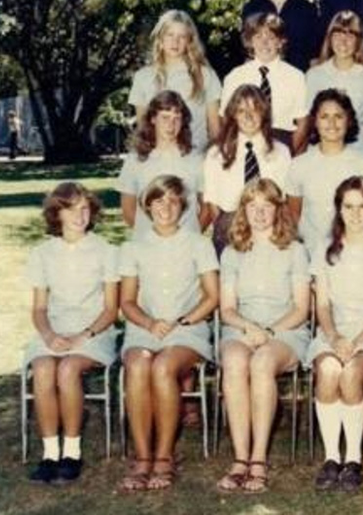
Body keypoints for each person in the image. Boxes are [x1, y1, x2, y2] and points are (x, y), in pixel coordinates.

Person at [118, 175, 219, 492]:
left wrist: (183, 321)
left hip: (187, 330)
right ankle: (142, 456)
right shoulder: (133, 247)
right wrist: (149, 324)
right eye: (159, 200)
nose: (166, 207)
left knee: (162, 368)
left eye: (174, 200)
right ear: (147, 206)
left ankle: (164, 455)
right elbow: (127, 301)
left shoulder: (199, 244)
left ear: (184, 207)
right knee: (137, 365)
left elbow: (212, 297)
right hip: (143, 329)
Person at [215, 178, 312, 494]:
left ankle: (259, 459)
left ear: (278, 209)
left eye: (266, 206)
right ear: (243, 210)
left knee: (262, 362)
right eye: (252, 206)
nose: (259, 213)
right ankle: (240, 459)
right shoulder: (232, 252)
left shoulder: (295, 250)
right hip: (242, 328)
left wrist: (269, 332)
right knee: (233, 361)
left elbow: (301, 309)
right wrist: (248, 328)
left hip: (285, 331)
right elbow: (227, 309)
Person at [305, 177, 363, 492]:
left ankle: (354, 459)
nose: (355, 214)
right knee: (330, 370)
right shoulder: (325, 248)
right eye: (348, 206)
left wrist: (356, 343)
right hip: (335, 332)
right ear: (338, 209)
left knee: (352, 373)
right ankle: (332, 458)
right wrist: (333, 339)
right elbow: (323, 305)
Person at [23, 183, 119, 484]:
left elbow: (111, 309)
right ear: (57, 213)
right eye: (71, 208)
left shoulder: (106, 250)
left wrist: (84, 335)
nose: (80, 215)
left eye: (85, 208)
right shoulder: (42, 253)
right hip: (54, 329)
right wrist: (49, 336)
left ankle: (72, 452)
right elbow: (39, 309)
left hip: (94, 331)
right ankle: (50, 453)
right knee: (42, 369)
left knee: (67, 370)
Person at [286, 89, 363, 253]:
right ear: (314, 121)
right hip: (310, 253)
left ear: (349, 121)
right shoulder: (299, 165)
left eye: (338, 116)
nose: (331, 123)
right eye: (324, 117)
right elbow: (293, 216)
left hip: (354, 254)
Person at [203, 84, 292, 256]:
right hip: (229, 226)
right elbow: (212, 201)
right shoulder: (217, 153)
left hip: (270, 226)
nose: (249, 116)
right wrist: (229, 231)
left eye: (255, 109)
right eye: (242, 110)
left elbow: (284, 198)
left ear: (264, 113)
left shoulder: (280, 152)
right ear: (233, 115)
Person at [117, 91, 207, 241]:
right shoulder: (135, 160)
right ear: (153, 118)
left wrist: (191, 238)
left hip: (186, 246)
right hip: (147, 246)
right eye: (165, 118)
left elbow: (207, 208)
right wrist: (156, 239)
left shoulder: (196, 159)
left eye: (177, 119)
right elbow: (128, 211)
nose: (171, 125)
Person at [129, 10, 222, 152]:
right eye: (170, 35)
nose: (175, 42)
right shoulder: (142, 77)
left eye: (182, 36)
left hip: (195, 161)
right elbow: (142, 129)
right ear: (160, 38)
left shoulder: (206, 75)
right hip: (156, 162)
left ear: (189, 40)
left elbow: (215, 130)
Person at [220, 13, 308, 153]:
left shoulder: (296, 77)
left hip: (282, 142)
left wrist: (287, 154)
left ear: (281, 41)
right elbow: (226, 119)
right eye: (258, 37)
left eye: (271, 37)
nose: (264, 43)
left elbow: (303, 123)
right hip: (243, 143)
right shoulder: (235, 76)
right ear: (250, 41)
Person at [306, 10, 363, 155]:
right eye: (337, 35)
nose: (343, 42)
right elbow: (309, 122)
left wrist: (362, 157)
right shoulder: (314, 75)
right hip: (323, 152)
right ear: (329, 39)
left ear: (359, 41)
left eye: (350, 35)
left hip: (359, 152)